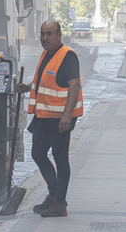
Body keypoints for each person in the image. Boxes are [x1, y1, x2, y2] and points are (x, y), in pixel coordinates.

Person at [16, 21, 83, 218]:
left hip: (60, 118)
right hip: (44, 117)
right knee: (38, 153)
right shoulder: (46, 54)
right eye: (42, 34)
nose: (45, 38)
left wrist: (66, 116)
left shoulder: (68, 56)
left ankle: (59, 203)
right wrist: (28, 87)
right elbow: (44, 81)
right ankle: (54, 195)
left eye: (49, 34)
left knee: (61, 158)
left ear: (59, 35)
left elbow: (74, 86)